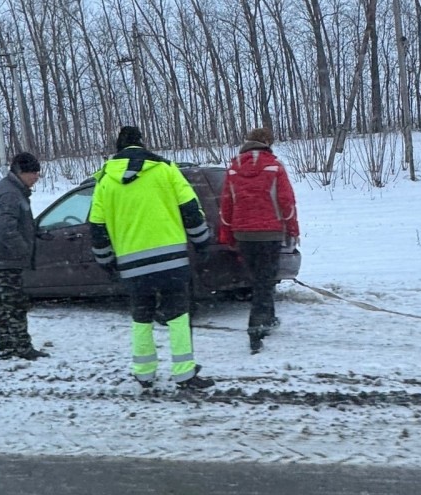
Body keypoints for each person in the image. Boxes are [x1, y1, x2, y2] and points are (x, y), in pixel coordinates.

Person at [89, 126, 215, 390]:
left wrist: (107, 262)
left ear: (117, 148)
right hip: (172, 261)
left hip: (132, 265)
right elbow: (191, 209)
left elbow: (97, 228)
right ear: (143, 143)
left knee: (141, 316)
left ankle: (144, 372)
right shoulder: (165, 170)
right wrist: (202, 242)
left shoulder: (105, 181)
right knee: (179, 315)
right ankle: (184, 373)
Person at [218, 127, 300, 354]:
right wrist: (292, 230)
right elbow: (287, 202)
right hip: (270, 232)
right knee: (265, 280)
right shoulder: (274, 166)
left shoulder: (234, 167)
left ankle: (269, 317)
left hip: (243, 233)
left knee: (259, 279)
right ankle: (255, 328)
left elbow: (227, 204)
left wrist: (227, 234)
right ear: (267, 143)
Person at [0, 152, 49, 361]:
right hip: (5, 262)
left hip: (3, 260)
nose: (36, 177)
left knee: (6, 308)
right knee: (15, 305)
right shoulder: (10, 194)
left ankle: (7, 349)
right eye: (33, 173)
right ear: (21, 172)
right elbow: (5, 230)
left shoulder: (13, 190)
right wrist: (23, 251)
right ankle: (21, 348)